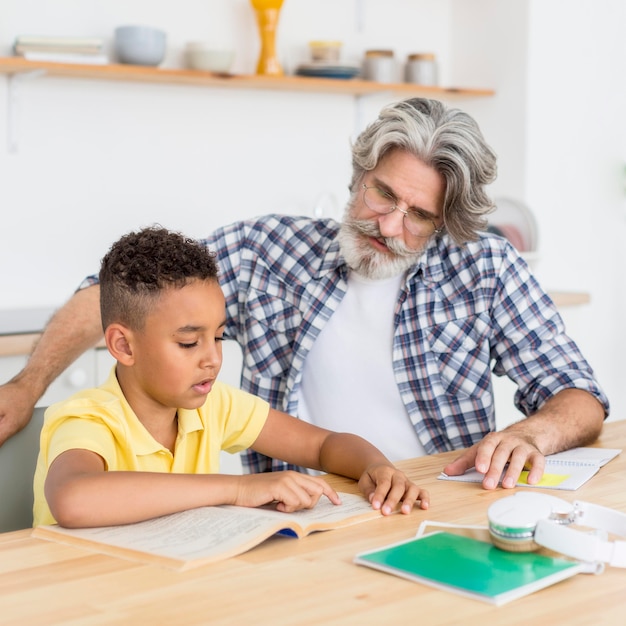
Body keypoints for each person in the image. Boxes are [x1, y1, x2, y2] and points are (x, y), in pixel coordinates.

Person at [2, 98, 609, 491]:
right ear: (359, 174)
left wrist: (534, 434)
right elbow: (120, 294)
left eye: (419, 215)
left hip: (436, 499)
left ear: (446, 222)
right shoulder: (270, 252)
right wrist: (29, 386)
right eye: (382, 195)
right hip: (301, 507)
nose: (390, 225)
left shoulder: (485, 269)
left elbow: (579, 394)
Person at [33, 226, 428, 527]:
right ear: (123, 346)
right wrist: (238, 488)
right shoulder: (87, 417)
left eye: (220, 337)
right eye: (189, 343)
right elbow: (73, 499)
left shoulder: (215, 405)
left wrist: (376, 467)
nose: (212, 358)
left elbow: (323, 445)